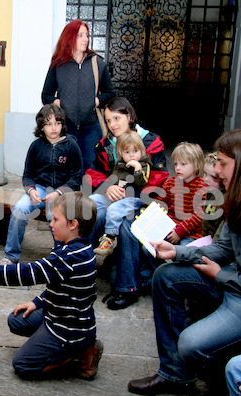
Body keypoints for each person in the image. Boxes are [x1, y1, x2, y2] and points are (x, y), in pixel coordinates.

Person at [127, 128, 241, 396]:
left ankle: (211, 366)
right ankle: (174, 374)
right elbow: (223, 247)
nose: (216, 170)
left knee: (190, 344)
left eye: (222, 163)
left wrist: (220, 276)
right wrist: (177, 253)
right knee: (166, 276)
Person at [0, 192, 103, 380]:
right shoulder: (74, 246)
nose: (50, 224)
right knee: (16, 320)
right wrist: (37, 302)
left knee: (23, 365)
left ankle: (77, 354)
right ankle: (68, 345)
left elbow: (28, 273)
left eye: (56, 220)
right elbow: (61, 286)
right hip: (58, 313)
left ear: (73, 224)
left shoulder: (70, 257)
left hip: (67, 328)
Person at [85, 97, 169, 310]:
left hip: (143, 201)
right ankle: (81, 272)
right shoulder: (105, 145)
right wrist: (108, 186)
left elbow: (160, 180)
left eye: (117, 118)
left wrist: (129, 192)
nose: (113, 124)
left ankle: (127, 288)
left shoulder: (150, 141)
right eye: (108, 120)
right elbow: (92, 174)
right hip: (113, 197)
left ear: (129, 117)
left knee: (127, 225)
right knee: (92, 211)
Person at [1, 104, 82, 265]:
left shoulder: (71, 146)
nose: (54, 128)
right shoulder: (36, 146)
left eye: (57, 123)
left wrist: (59, 192)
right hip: (40, 188)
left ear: (62, 125)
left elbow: (76, 178)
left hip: (62, 192)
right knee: (19, 209)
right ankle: (11, 255)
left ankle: (60, 255)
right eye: (48, 123)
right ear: (41, 126)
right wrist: (31, 190)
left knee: (54, 214)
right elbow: (28, 175)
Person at [41, 19, 116, 172]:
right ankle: (68, 196)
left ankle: (86, 195)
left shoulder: (97, 63)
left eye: (87, 35)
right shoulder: (58, 64)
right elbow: (46, 95)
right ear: (69, 38)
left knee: (90, 168)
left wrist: (95, 101)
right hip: (66, 127)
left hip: (91, 127)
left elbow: (110, 93)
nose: (86, 39)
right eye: (80, 35)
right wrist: (60, 103)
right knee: (66, 168)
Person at [93, 130, 152, 257]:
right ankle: (84, 224)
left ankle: (109, 238)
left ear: (141, 151)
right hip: (118, 196)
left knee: (114, 209)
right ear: (120, 153)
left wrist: (137, 168)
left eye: (135, 151)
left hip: (134, 198)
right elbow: (112, 179)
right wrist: (109, 189)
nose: (131, 155)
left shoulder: (144, 164)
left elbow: (143, 182)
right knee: (93, 199)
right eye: (127, 152)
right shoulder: (120, 164)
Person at [158, 142, 207, 245]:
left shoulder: (202, 186)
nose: (177, 168)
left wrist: (179, 231)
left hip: (192, 233)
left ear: (196, 165)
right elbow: (160, 205)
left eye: (183, 164)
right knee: (148, 247)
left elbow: (198, 217)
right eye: (176, 164)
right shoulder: (170, 183)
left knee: (184, 251)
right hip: (170, 228)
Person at [202, 152, 225, 241]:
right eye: (205, 173)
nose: (206, 179)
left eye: (213, 177)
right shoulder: (211, 190)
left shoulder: (224, 199)